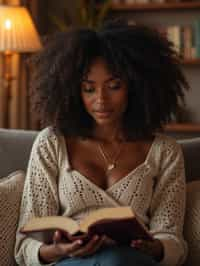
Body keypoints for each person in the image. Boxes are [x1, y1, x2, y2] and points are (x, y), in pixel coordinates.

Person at [15, 19, 189, 266]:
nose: (101, 100)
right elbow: (24, 245)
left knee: (117, 260)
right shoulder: (51, 143)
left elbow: (173, 240)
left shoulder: (165, 152)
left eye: (114, 86)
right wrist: (59, 250)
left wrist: (155, 248)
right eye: (88, 88)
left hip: (132, 260)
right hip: (69, 262)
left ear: (137, 87)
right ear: (73, 91)